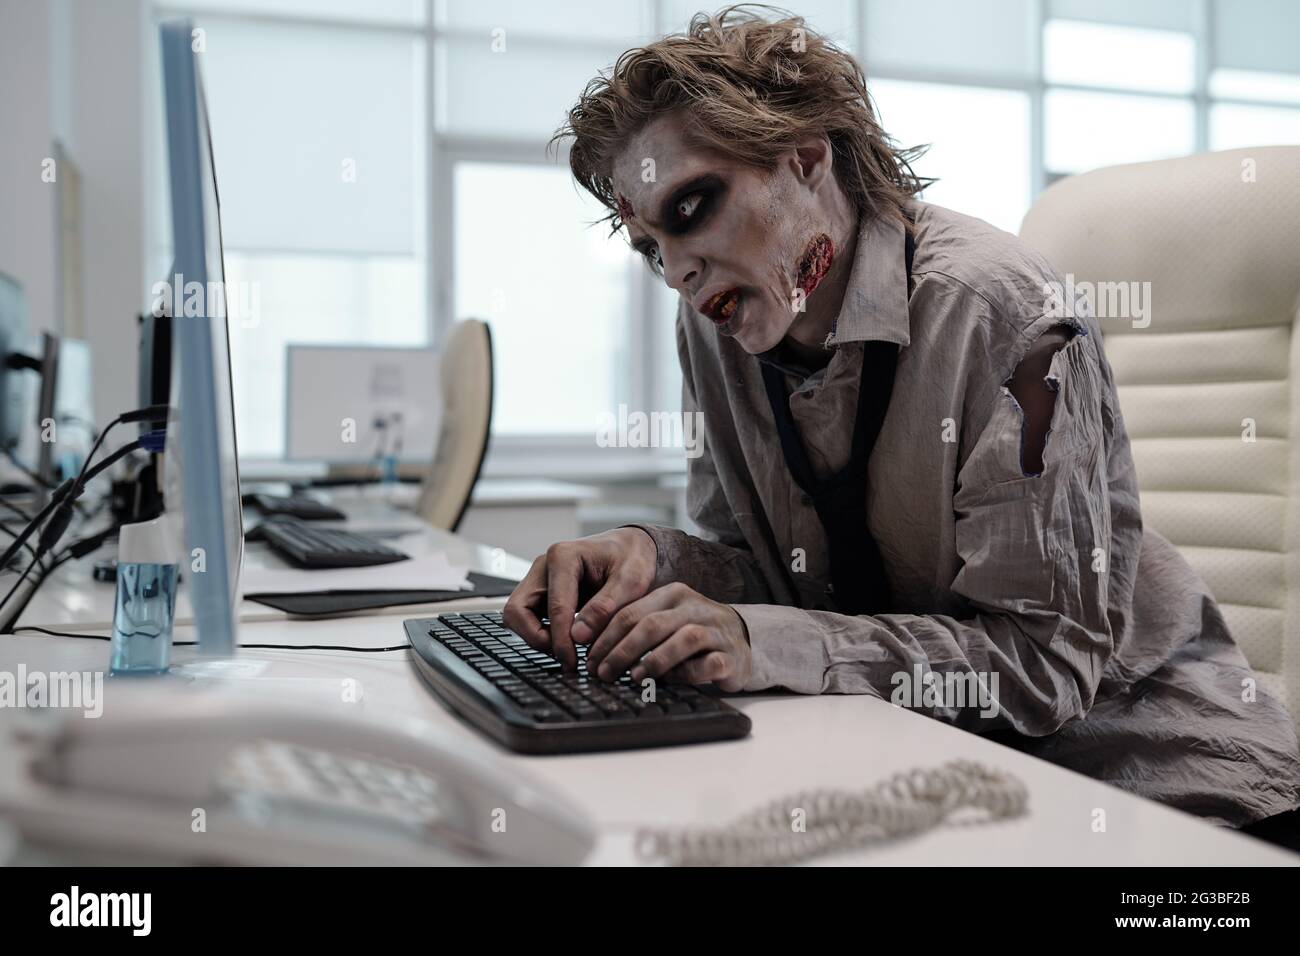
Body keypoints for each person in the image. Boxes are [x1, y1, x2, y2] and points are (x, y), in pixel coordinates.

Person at [503, 5, 1300, 831]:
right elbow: (771, 575)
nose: (675, 270)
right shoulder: (717, 331)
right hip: (934, 769)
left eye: (693, 206)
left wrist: (761, 640)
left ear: (807, 159)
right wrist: (655, 561)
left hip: (1159, 794)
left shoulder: (999, 311)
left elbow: (1044, 666)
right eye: (648, 246)